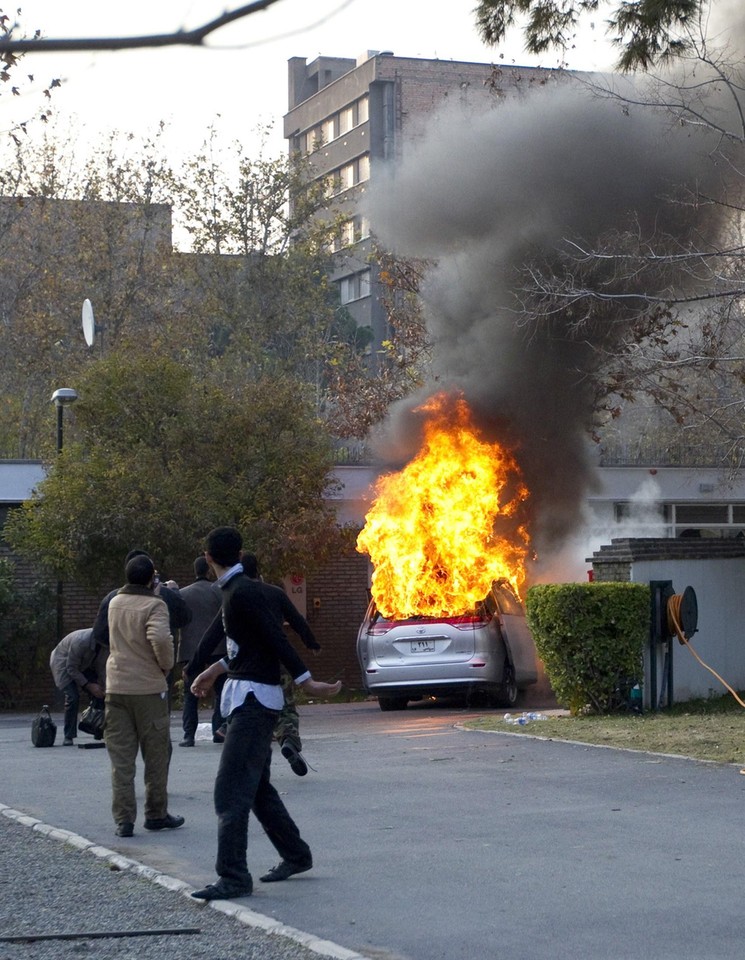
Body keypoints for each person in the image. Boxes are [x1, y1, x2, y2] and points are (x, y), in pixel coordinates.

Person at [190, 526, 342, 902]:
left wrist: (307, 681)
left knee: (230, 791)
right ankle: (296, 854)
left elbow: (275, 639)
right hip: (253, 697)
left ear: (209, 557)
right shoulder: (237, 591)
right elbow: (248, 647)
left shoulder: (242, 593)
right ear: (238, 554)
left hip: (256, 702)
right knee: (256, 788)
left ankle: (234, 877)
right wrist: (210, 671)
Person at [185, 551, 321, 774]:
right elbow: (296, 622)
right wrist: (312, 644)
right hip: (276, 659)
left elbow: (212, 634)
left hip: (243, 662)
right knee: (285, 707)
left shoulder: (235, 594)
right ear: (259, 571)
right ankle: (288, 739)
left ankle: (230, 728)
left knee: (245, 703)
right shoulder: (274, 593)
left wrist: (193, 666)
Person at [105, 553, 184, 838]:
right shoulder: (155, 605)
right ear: (152, 578)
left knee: (121, 759)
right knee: (156, 755)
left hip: (116, 686)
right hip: (148, 689)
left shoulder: (114, 602)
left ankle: (124, 820)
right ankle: (156, 813)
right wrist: (166, 666)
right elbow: (161, 640)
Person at [176, 557, 224, 747]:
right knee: (221, 690)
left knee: (190, 693)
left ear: (194, 571)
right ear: (209, 571)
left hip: (190, 649)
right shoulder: (219, 591)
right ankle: (218, 731)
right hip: (217, 648)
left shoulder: (182, 594)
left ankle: (188, 735)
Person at [49, 627, 107, 746]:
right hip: (63, 662)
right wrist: (88, 685)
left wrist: (103, 687)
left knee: (100, 694)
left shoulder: (106, 643)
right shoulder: (81, 641)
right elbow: (71, 668)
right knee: (72, 697)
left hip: (85, 664)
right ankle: (68, 735)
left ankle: (97, 729)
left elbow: (101, 668)